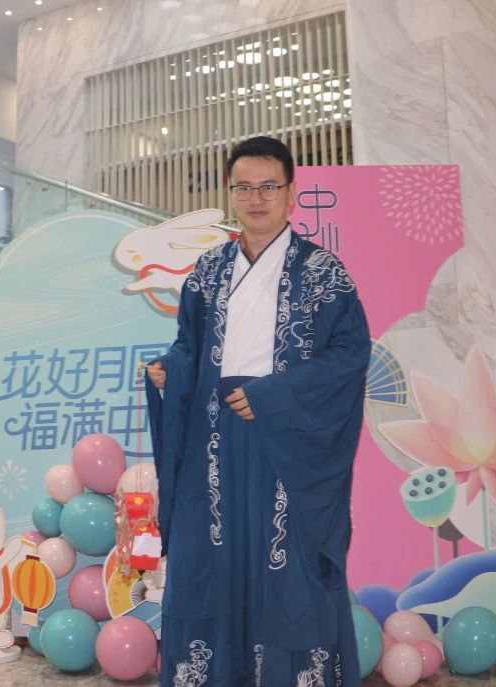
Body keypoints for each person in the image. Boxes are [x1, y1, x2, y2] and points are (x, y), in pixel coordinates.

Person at [145, 136, 370, 687]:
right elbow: (190, 345)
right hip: (214, 442)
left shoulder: (324, 272)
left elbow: (349, 355)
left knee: (287, 563)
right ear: (230, 193)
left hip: (286, 444)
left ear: (291, 193)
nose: (256, 198)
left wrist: (274, 396)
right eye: (244, 187)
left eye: (269, 186)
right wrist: (171, 370)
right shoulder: (207, 270)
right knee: (209, 560)